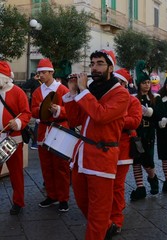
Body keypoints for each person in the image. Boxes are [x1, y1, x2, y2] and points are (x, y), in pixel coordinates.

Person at [62, 50, 130, 240]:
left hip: (102, 157)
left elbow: (100, 115)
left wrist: (83, 91)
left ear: (110, 67)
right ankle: (106, 227)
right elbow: (75, 119)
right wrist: (73, 91)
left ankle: (101, 229)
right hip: (82, 156)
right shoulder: (90, 91)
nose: (94, 68)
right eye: (92, 63)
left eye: (100, 63)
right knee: (83, 203)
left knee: (98, 212)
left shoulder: (121, 94)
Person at [31, 58, 70, 212]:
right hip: (43, 131)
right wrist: (40, 109)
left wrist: (58, 110)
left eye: (43, 72)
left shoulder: (63, 90)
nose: (40, 75)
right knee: (46, 166)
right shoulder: (36, 92)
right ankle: (52, 195)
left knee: (61, 166)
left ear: (51, 72)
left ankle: (63, 198)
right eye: (39, 72)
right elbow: (33, 110)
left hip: (59, 130)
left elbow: (71, 112)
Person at [106, 68, 142, 237]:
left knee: (117, 186)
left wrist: (114, 118)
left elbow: (134, 121)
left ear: (125, 85)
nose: (117, 85)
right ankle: (105, 217)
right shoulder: (106, 97)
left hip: (123, 150)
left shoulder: (132, 101)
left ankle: (117, 220)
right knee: (106, 186)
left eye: (121, 82)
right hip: (105, 148)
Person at [130, 60, 164, 201]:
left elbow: (159, 115)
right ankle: (140, 187)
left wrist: (150, 112)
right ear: (139, 84)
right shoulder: (133, 98)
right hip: (136, 132)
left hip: (149, 132)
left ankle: (153, 177)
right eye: (144, 83)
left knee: (148, 161)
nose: (147, 85)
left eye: (148, 83)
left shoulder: (155, 98)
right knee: (136, 160)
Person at [0, 61, 32, 215]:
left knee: (16, 173)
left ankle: (18, 202)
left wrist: (18, 122)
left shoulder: (17, 92)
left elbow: (26, 113)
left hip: (13, 139)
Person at [22, 72, 42, 150]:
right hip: (36, 104)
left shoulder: (48, 83)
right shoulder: (35, 81)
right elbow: (24, 86)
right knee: (37, 123)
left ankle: (37, 142)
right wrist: (33, 79)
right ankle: (34, 143)